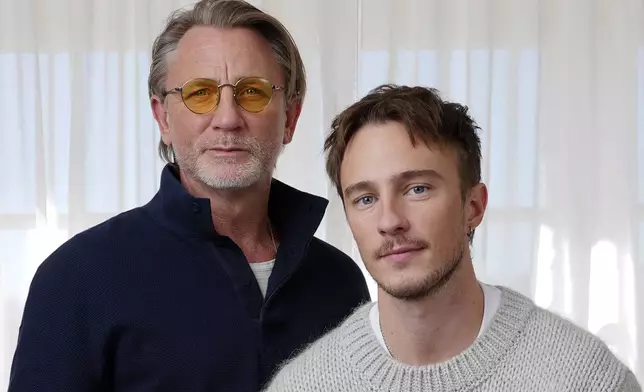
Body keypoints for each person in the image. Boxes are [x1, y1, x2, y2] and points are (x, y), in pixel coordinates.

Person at [8, 0, 370, 390]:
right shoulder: (76, 278)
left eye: (252, 92)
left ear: (291, 118)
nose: (228, 118)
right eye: (200, 93)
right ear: (162, 117)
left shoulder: (340, 283)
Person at [263, 84, 642, 392]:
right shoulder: (303, 385)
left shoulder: (586, 380)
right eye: (365, 198)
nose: (390, 220)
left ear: (473, 206)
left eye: (417, 189)